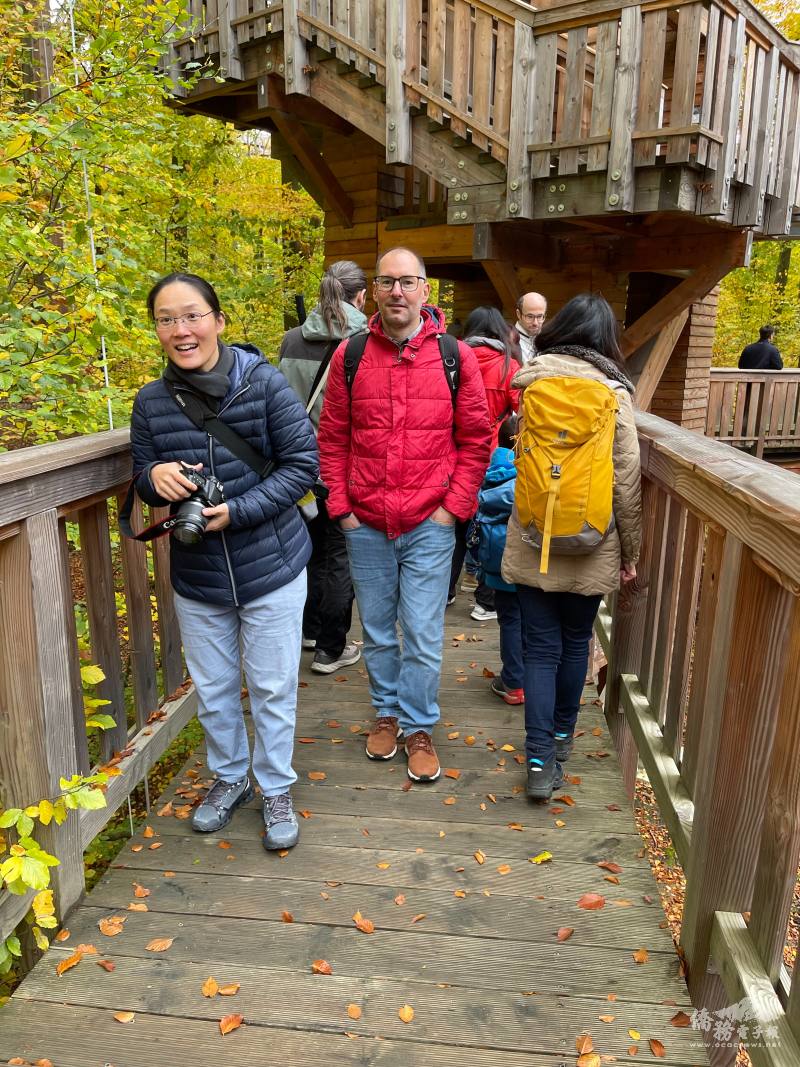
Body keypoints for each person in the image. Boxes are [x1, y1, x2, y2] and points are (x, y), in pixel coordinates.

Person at [130, 272, 318, 850]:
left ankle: (276, 786)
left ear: (217, 320)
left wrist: (237, 511)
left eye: (192, 315)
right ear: (157, 330)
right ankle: (230, 778)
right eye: (167, 319)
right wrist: (154, 479)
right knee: (213, 689)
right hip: (198, 575)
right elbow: (141, 479)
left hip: (272, 564)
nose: (181, 330)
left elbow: (301, 465)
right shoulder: (151, 401)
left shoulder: (262, 384)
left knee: (270, 686)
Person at [317, 247, 491, 782]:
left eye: (407, 281)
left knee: (420, 629)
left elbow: (477, 439)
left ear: (425, 291)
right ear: (373, 291)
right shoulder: (349, 356)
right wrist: (341, 508)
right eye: (387, 282)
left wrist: (452, 509)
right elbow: (331, 438)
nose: (398, 291)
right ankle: (386, 714)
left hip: (428, 523)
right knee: (377, 629)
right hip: (366, 521)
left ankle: (419, 725)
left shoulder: (454, 357)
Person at [502, 293, 641, 800]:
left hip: (533, 534)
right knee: (575, 642)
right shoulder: (614, 394)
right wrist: (631, 554)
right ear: (606, 339)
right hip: (593, 539)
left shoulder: (531, 382)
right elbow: (624, 481)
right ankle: (561, 742)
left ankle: (538, 762)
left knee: (538, 648)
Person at [279, 261, 368, 674]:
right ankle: (332, 648)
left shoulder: (290, 340)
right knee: (339, 553)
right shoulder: (366, 340)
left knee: (306, 548)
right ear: (361, 296)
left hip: (296, 464)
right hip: (342, 463)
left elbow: (279, 404)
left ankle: (310, 630)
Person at [447, 305, 521, 621]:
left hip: (450, 453)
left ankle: (445, 591)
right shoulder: (509, 367)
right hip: (491, 458)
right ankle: (485, 601)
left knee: (452, 524)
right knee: (489, 523)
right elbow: (521, 413)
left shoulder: (449, 360)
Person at [472, 414, 524, 705]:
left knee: (510, 620)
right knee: (533, 621)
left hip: (497, 562)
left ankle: (514, 681)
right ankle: (524, 679)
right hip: (530, 558)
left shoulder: (494, 468)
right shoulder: (532, 471)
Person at [515, 292, 547, 365]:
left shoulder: (549, 338)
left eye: (539, 317)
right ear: (518, 314)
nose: (535, 323)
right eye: (530, 316)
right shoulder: (508, 341)